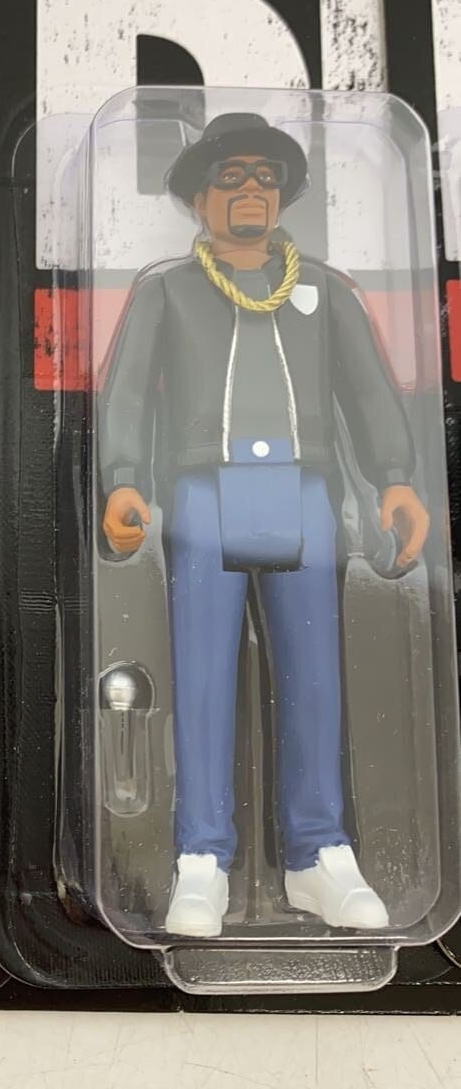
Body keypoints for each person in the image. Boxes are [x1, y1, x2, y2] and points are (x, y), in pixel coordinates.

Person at [100, 112, 429, 937]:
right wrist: (123, 480)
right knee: (202, 678)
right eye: (232, 176)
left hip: (306, 495)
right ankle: (202, 856)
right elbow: (129, 393)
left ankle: (320, 852)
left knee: (315, 678)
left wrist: (395, 478)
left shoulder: (324, 292)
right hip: (203, 497)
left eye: (265, 177)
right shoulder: (168, 291)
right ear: (199, 197)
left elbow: (367, 391)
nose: (251, 190)